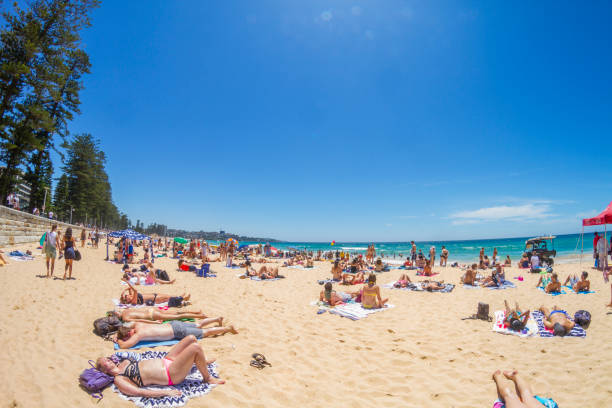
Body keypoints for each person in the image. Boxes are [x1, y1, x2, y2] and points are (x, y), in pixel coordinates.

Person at [96, 336, 224, 397]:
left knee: (191, 339)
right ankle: (207, 378)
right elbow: (138, 392)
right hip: (171, 374)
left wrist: (116, 339)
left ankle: (200, 361)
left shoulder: (123, 363)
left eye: (107, 358)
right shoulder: (119, 379)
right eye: (105, 362)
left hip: (167, 360)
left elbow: (128, 353)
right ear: (103, 369)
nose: (108, 360)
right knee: (195, 348)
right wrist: (166, 392)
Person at [114, 318, 237, 349]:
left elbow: (124, 346)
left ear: (128, 334)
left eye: (126, 337)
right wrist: (117, 334)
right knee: (199, 324)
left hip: (177, 332)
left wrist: (118, 340)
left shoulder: (138, 335)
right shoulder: (137, 325)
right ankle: (217, 319)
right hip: (173, 324)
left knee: (206, 332)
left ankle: (228, 328)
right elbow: (126, 324)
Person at [120, 280, 190, 306]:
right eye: (126, 297)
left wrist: (123, 293)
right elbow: (135, 290)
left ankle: (181, 296)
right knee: (169, 298)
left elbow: (130, 289)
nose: (127, 296)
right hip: (155, 299)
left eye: (126, 295)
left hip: (154, 295)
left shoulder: (131, 296)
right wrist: (127, 282)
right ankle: (183, 298)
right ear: (127, 301)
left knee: (169, 296)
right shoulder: (133, 301)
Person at [110, 308, 208, 323]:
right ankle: (196, 312)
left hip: (152, 316)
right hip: (152, 310)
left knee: (178, 317)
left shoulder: (125, 318)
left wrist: (153, 322)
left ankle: (201, 316)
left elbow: (141, 321)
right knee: (177, 312)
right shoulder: (126, 310)